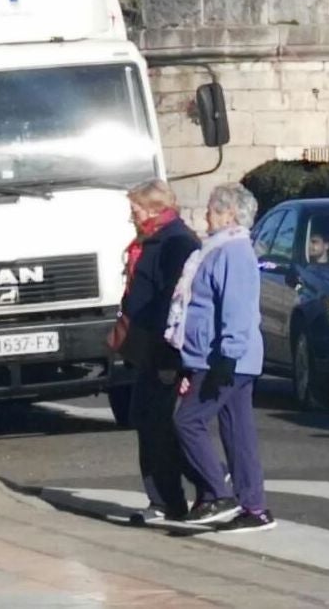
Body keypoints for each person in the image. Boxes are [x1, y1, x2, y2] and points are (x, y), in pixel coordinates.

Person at [166, 183, 276, 533]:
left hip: (223, 359)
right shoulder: (217, 249)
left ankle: (217, 493)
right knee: (238, 433)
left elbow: (238, 308)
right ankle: (254, 507)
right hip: (217, 356)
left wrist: (227, 356)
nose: (205, 215)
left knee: (187, 422)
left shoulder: (233, 252)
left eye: (212, 209)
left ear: (229, 214)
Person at [115, 180, 204, 524]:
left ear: (153, 208)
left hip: (164, 347)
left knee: (159, 422)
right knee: (145, 418)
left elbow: (175, 298)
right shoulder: (153, 239)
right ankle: (165, 499)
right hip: (148, 345)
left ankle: (202, 482)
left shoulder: (176, 241)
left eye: (134, 209)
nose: (131, 217)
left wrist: (169, 349)